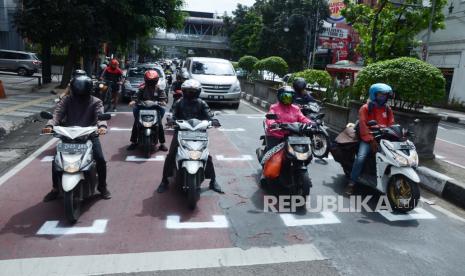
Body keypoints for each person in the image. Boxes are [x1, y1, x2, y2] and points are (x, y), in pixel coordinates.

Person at [42, 76, 111, 202]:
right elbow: (57, 113)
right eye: (78, 94)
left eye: (83, 95)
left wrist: (101, 126)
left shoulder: (96, 102)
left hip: (89, 135)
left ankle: (102, 187)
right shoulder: (66, 100)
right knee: (56, 161)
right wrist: (50, 125)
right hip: (68, 136)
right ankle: (55, 188)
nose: (80, 97)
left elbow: (100, 116)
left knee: (100, 159)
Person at [156, 79, 223, 194]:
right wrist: (171, 119)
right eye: (188, 91)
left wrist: (213, 120)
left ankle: (213, 181)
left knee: (207, 156)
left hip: (199, 133)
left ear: (198, 92)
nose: (190, 94)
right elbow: (172, 113)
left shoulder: (202, 103)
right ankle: (164, 181)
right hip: (181, 131)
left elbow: (209, 114)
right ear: (183, 91)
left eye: (193, 91)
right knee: (171, 155)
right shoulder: (179, 102)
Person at [346, 83, 394, 195]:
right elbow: (363, 125)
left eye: (385, 95)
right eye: (380, 95)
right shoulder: (365, 108)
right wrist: (371, 140)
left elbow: (391, 124)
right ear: (374, 95)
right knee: (361, 158)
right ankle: (351, 183)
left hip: (383, 138)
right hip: (368, 138)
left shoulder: (387, 109)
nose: (383, 97)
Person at [127, 70, 168, 152]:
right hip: (142, 107)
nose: (151, 82)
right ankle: (134, 142)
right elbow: (136, 97)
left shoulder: (159, 89)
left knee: (159, 124)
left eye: (153, 81)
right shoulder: (142, 88)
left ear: (156, 80)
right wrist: (133, 101)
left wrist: (163, 102)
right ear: (146, 80)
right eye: (149, 81)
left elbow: (164, 99)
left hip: (156, 108)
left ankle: (162, 144)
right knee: (136, 123)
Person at [265, 86, 313, 152]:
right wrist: (273, 124)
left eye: (290, 97)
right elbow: (270, 118)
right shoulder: (274, 107)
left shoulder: (296, 108)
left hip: (293, 136)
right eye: (285, 97)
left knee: (305, 153)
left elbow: (303, 118)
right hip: (277, 135)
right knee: (273, 158)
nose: (287, 99)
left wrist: (312, 123)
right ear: (279, 96)